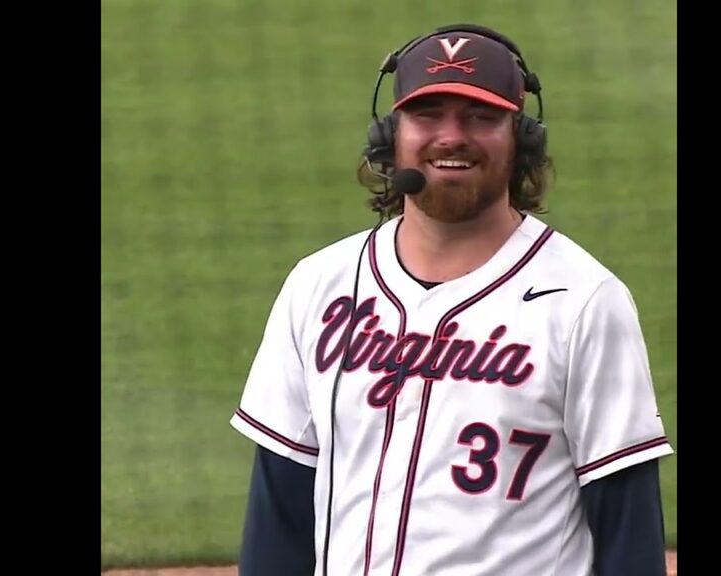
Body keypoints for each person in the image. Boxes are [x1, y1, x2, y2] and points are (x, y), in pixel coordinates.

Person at [229, 22, 674, 576]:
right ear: (391, 135)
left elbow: (627, 526)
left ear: (523, 140)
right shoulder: (319, 284)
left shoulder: (583, 301)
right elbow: (281, 511)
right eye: (427, 115)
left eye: (482, 118)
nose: (451, 136)